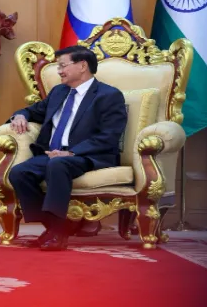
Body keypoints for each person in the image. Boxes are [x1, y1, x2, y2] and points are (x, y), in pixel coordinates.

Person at [7, 45, 127, 251]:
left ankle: (57, 234)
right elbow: (32, 110)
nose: (59, 71)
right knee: (19, 172)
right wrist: (20, 116)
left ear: (82, 66)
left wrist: (72, 152)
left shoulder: (108, 95)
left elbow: (109, 136)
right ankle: (57, 228)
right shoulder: (59, 92)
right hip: (54, 154)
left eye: (63, 65)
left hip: (89, 155)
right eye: (58, 66)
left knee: (59, 164)